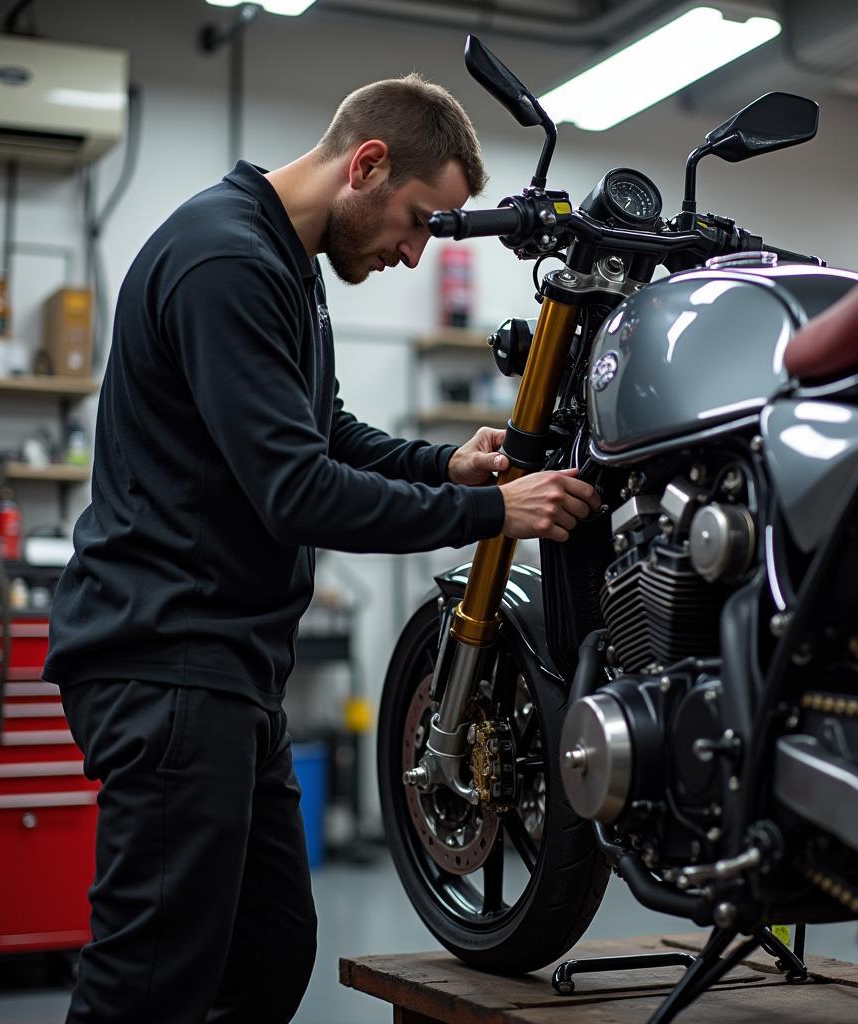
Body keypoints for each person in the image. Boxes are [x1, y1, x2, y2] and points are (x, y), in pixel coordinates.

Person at [43, 73, 598, 1024]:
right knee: (150, 981)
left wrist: (447, 468)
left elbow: (322, 430)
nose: (419, 253)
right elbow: (295, 491)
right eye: (420, 220)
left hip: (230, 667)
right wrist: (495, 515)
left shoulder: (287, 264)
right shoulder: (226, 259)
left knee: (267, 955)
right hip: (168, 660)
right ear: (366, 164)